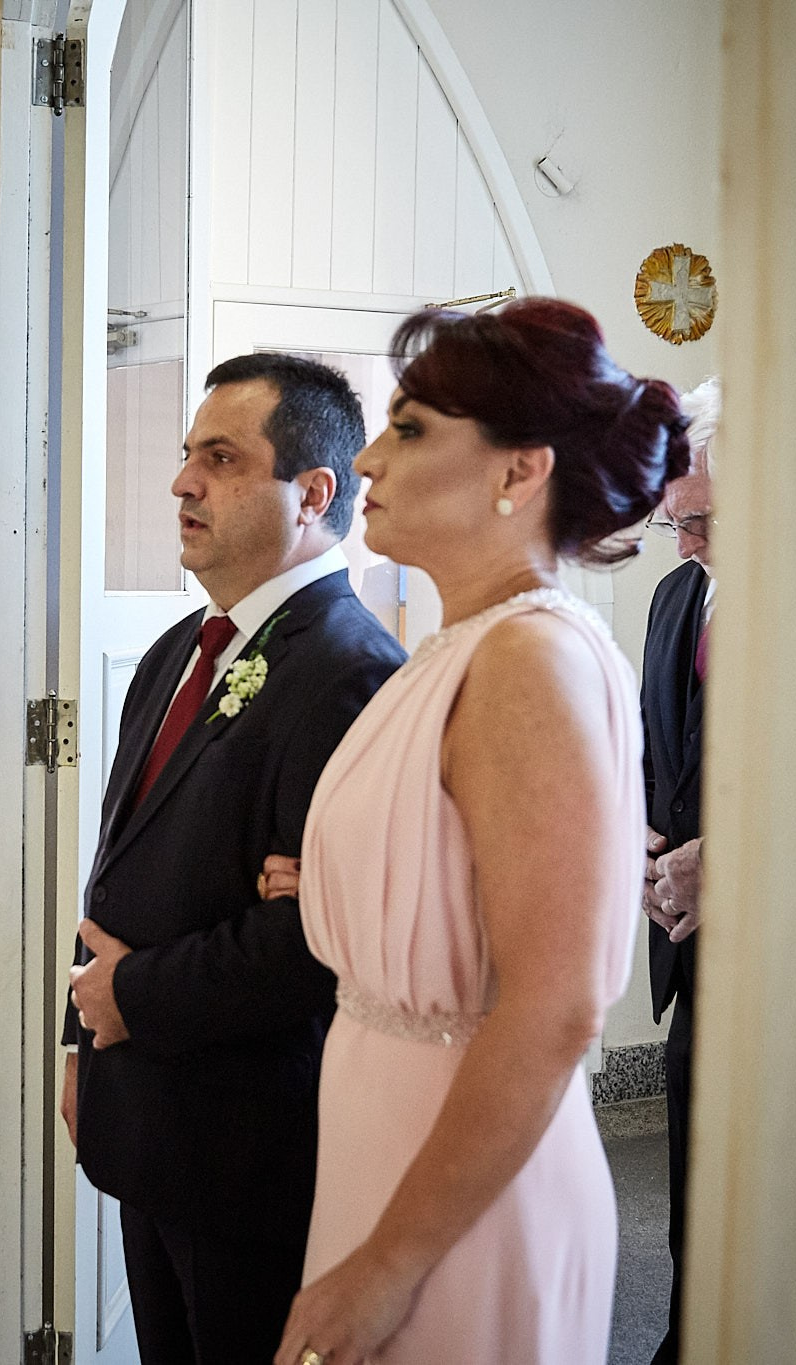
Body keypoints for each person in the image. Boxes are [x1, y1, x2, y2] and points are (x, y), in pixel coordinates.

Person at [268, 298, 688, 1364]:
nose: (367, 455)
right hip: (385, 1139)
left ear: (518, 472)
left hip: (463, 1196)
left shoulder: (526, 662)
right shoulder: (457, 647)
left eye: (408, 430)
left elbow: (551, 1007)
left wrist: (386, 1266)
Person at [61, 354, 408, 1363]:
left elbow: (315, 935)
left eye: (219, 459)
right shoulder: (175, 651)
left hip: (247, 1143)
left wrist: (133, 1000)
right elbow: (116, 870)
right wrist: (86, 1043)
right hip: (144, 1114)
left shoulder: (349, 674)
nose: (181, 482)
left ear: (311, 494)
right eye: (185, 456)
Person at [639, 377, 719, 1364]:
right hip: (682, 945)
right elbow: (662, 760)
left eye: (701, 520)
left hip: (788, 956)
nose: (686, 542)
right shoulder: (672, 595)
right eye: (673, 523)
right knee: (690, 1183)